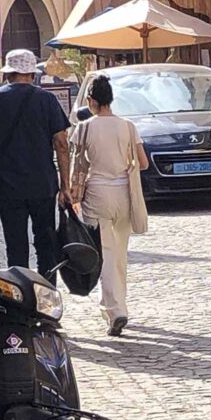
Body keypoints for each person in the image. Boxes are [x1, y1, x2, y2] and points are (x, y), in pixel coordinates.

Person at [0, 49, 71, 278]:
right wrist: (65, 186)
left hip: (8, 185)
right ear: (32, 74)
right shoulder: (47, 100)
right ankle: (47, 298)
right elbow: (62, 144)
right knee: (46, 244)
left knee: (16, 246)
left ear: (8, 74)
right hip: (43, 184)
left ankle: (21, 298)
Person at [69, 75, 149, 337]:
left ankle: (115, 310)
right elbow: (143, 162)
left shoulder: (85, 128)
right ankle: (118, 305)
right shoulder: (128, 126)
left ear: (91, 100)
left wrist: (73, 196)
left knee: (105, 254)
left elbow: (78, 167)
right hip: (123, 195)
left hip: (98, 195)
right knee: (120, 255)